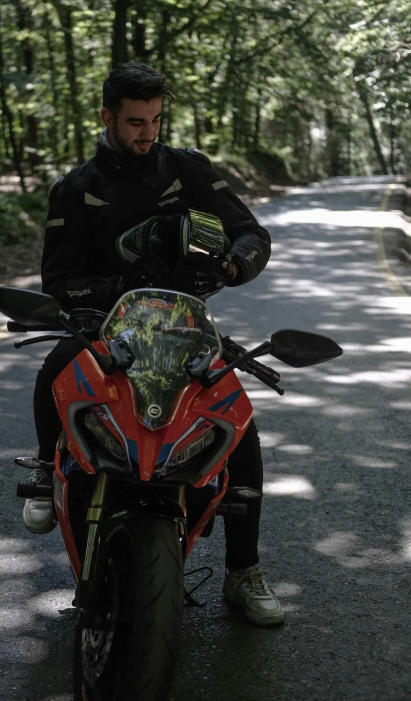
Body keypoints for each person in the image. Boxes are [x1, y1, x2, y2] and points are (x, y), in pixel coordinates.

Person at [26, 63, 284, 626]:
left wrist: (234, 266)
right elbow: (57, 283)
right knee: (53, 368)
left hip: (182, 327)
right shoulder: (75, 189)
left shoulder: (187, 169)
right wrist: (120, 282)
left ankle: (243, 572)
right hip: (103, 327)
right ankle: (47, 470)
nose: (148, 132)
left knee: (238, 422)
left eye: (157, 119)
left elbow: (253, 233)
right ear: (107, 118)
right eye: (136, 121)